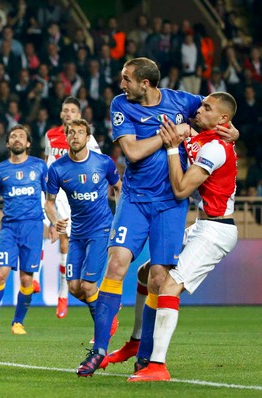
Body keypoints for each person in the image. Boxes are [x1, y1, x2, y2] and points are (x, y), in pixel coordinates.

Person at [76, 57, 203, 376]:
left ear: (144, 84)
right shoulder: (121, 105)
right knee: (117, 262)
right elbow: (131, 152)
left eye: (126, 79)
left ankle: (145, 356)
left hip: (170, 204)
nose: (121, 84)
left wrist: (226, 129)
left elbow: (215, 110)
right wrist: (173, 135)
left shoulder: (181, 101)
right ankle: (99, 349)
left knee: (159, 277)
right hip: (134, 200)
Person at [129, 92, 238, 382]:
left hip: (217, 230)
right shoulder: (206, 137)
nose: (198, 110)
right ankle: (137, 340)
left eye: (207, 108)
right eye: (201, 105)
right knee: (145, 273)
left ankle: (157, 366)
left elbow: (180, 190)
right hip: (203, 225)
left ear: (223, 119)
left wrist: (171, 150)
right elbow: (191, 131)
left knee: (168, 286)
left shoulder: (215, 148)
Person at [44, 119, 122, 335]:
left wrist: (120, 218)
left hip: (101, 229)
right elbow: (49, 202)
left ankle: (103, 330)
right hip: (76, 232)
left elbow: (118, 188)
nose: (75, 136)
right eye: (71, 133)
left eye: (80, 132)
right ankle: (108, 306)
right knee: (74, 288)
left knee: (88, 286)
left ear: (88, 138)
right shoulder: (57, 169)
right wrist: (55, 218)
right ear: (66, 137)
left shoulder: (103, 162)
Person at [0, 125, 48, 336]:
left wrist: (53, 223)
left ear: (28, 143)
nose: (17, 139)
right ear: (7, 143)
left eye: (21, 136)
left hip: (33, 227)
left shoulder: (39, 167)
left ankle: (18, 322)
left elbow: (51, 197)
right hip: (9, 228)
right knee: (0, 274)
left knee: (27, 279)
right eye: (13, 136)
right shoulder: (0, 170)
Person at [44, 96, 102, 318]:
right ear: (61, 114)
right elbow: (47, 163)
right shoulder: (51, 136)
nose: (69, 114)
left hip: (78, 194)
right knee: (63, 239)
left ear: (79, 116)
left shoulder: (88, 139)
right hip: (56, 194)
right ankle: (62, 294)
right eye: (65, 110)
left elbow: (96, 163)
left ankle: (76, 290)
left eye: (73, 111)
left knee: (76, 244)